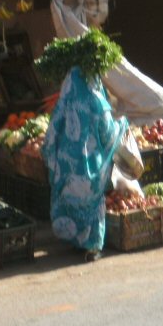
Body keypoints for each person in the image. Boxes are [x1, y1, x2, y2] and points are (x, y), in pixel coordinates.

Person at [41, 66, 127, 262]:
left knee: (67, 197)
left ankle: (72, 238)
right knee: (91, 201)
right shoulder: (96, 98)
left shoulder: (66, 97)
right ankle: (91, 246)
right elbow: (107, 132)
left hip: (66, 162)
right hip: (89, 163)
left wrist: (50, 150)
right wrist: (122, 124)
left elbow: (54, 126)